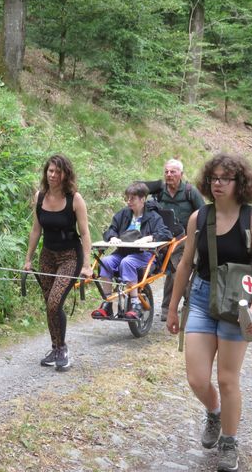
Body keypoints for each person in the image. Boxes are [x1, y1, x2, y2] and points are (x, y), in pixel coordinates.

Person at [166, 153, 252, 472]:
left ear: (240, 182)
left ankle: (229, 441)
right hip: (200, 297)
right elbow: (184, 265)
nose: (217, 184)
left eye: (225, 178)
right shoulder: (199, 218)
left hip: (237, 304)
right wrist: (173, 308)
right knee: (197, 378)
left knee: (228, 379)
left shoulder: (251, 218)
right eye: (213, 178)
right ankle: (214, 412)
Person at [24, 154, 92, 372]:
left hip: (70, 257)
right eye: (50, 171)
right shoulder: (40, 196)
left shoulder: (75, 199)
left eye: (57, 171)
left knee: (55, 302)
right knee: (49, 305)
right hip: (47, 256)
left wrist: (87, 265)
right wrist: (28, 258)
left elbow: (85, 232)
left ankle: (62, 349)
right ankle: (55, 348)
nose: (53, 175)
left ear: (65, 174)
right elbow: (36, 230)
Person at [91, 182, 171, 319]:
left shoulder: (153, 216)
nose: (128, 201)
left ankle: (135, 304)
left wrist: (149, 238)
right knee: (105, 261)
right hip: (122, 252)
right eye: (127, 198)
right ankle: (107, 303)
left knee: (127, 262)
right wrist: (113, 237)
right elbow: (110, 229)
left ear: (142, 199)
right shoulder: (123, 214)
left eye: (132, 198)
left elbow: (166, 233)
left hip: (144, 255)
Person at [144, 158, 205, 322]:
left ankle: (172, 307)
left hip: (186, 239)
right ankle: (184, 305)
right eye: (166, 172)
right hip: (164, 239)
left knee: (176, 271)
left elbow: (204, 214)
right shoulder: (159, 191)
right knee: (172, 271)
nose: (169, 175)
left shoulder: (190, 192)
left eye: (173, 172)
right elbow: (137, 189)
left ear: (181, 174)